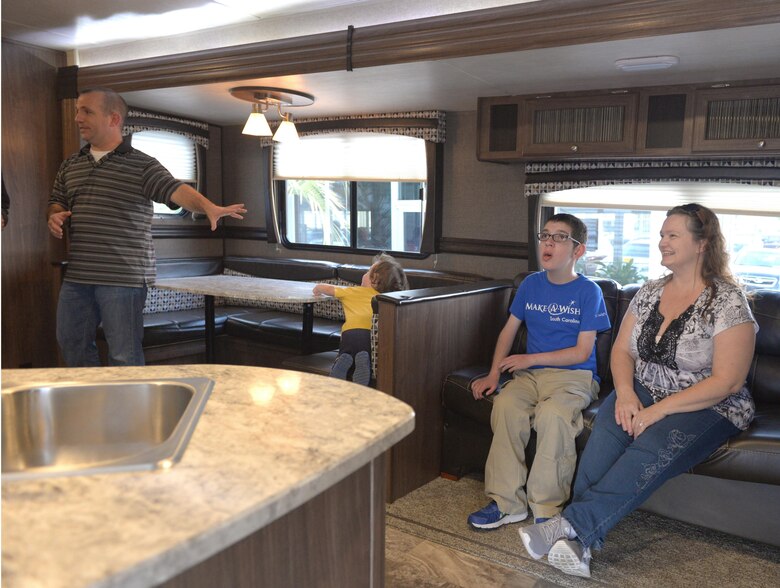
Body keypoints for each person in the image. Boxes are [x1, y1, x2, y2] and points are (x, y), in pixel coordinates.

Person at [519, 204, 757, 578]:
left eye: (672, 235)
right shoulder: (649, 291)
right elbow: (621, 350)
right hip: (643, 389)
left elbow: (727, 382)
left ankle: (569, 524)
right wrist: (627, 395)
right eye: (661, 234)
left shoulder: (728, 302)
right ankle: (579, 545)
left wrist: (657, 411)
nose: (662, 242)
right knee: (600, 447)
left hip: (709, 404)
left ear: (702, 243)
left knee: (649, 447)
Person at [47, 87, 247, 367]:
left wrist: (208, 207)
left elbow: (176, 190)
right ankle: (88, 407)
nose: (78, 117)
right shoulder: (70, 165)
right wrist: (54, 215)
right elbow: (56, 200)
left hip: (124, 277)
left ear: (113, 119)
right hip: (79, 275)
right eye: (77, 110)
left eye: (87, 111)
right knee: (72, 344)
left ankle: (131, 411)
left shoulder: (141, 165)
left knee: (124, 355)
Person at [468, 213, 611, 530]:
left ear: (578, 250)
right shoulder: (531, 284)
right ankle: (507, 504)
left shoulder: (589, 292)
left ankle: (547, 508)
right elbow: (508, 332)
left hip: (574, 378)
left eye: (560, 237)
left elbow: (582, 352)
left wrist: (529, 360)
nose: (548, 241)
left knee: (553, 416)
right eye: (545, 235)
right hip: (529, 377)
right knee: (505, 406)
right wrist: (494, 374)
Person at [312, 253, 408, 386]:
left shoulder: (353, 291)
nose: (365, 273)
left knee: (345, 353)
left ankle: (342, 361)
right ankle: (363, 362)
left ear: (373, 280)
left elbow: (331, 290)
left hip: (349, 334)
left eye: (369, 271)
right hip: (367, 335)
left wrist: (318, 288)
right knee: (364, 353)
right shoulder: (383, 298)